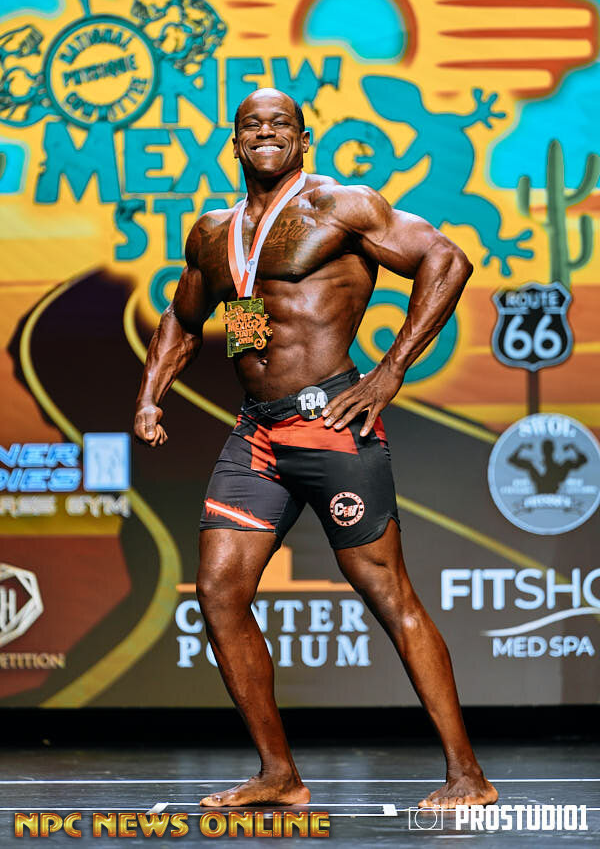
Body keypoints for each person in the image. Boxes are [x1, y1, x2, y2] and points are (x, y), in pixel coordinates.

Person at [134, 87, 498, 810]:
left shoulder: (340, 205)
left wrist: (390, 372)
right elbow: (183, 316)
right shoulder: (214, 233)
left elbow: (447, 260)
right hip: (257, 432)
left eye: (281, 124)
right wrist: (150, 395)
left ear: (303, 139)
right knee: (219, 592)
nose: (265, 132)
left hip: (330, 424)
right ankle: (279, 775)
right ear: (235, 142)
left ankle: (468, 775)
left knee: (387, 594)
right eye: (252, 124)